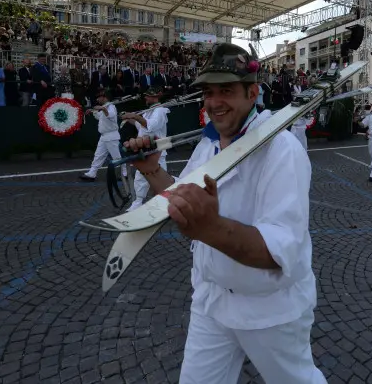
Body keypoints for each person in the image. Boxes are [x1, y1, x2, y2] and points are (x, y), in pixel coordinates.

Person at [123, 43, 325, 383]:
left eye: (226, 91)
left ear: (252, 92)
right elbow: (181, 195)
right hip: (211, 301)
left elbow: (280, 250)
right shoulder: (209, 143)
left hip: (269, 309)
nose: (214, 102)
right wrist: (152, 171)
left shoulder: (282, 149)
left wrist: (210, 227)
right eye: (208, 92)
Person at [119, 87, 170, 211]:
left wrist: (135, 116)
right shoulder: (148, 111)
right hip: (145, 149)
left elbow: (150, 125)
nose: (145, 98)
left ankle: (165, 202)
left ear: (154, 97)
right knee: (140, 177)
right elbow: (140, 125)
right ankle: (138, 202)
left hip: (158, 150)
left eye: (147, 96)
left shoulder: (160, 111)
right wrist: (128, 117)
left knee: (160, 177)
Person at [79, 89, 121, 182]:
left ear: (104, 97)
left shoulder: (111, 107)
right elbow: (99, 117)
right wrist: (93, 111)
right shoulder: (105, 107)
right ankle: (92, 173)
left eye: (99, 97)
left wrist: (103, 109)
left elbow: (110, 115)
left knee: (117, 157)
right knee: (98, 155)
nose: (97, 99)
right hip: (103, 136)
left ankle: (125, 174)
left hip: (111, 136)